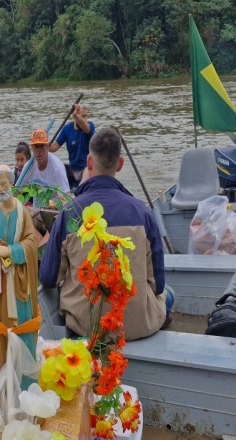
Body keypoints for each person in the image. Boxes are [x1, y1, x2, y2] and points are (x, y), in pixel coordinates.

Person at [40, 128, 171, 340]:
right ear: (120, 164)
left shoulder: (69, 214)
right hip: (137, 327)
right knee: (169, 295)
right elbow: (159, 284)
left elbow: (48, 278)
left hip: (86, 325)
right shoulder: (143, 213)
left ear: (89, 163)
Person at [0, 164, 39, 382]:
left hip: (21, 286)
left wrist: (9, 251)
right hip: (0, 287)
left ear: (11, 183)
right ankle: (4, 388)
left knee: (23, 330)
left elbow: (32, 244)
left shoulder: (23, 213)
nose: (1, 188)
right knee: (2, 333)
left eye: (4, 184)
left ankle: (27, 387)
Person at [49, 103, 96, 189]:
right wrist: (43, 146)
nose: (85, 119)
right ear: (74, 118)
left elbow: (86, 128)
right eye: (82, 116)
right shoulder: (67, 129)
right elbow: (55, 147)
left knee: (86, 175)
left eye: (85, 116)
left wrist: (77, 115)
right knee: (61, 169)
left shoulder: (90, 126)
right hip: (72, 169)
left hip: (86, 168)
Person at [18, 128, 70, 194]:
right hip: (35, 204)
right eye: (36, 146)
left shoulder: (57, 168)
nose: (39, 150)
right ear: (31, 147)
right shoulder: (28, 167)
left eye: (42, 146)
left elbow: (66, 196)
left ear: (47, 147)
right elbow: (18, 190)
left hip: (55, 203)